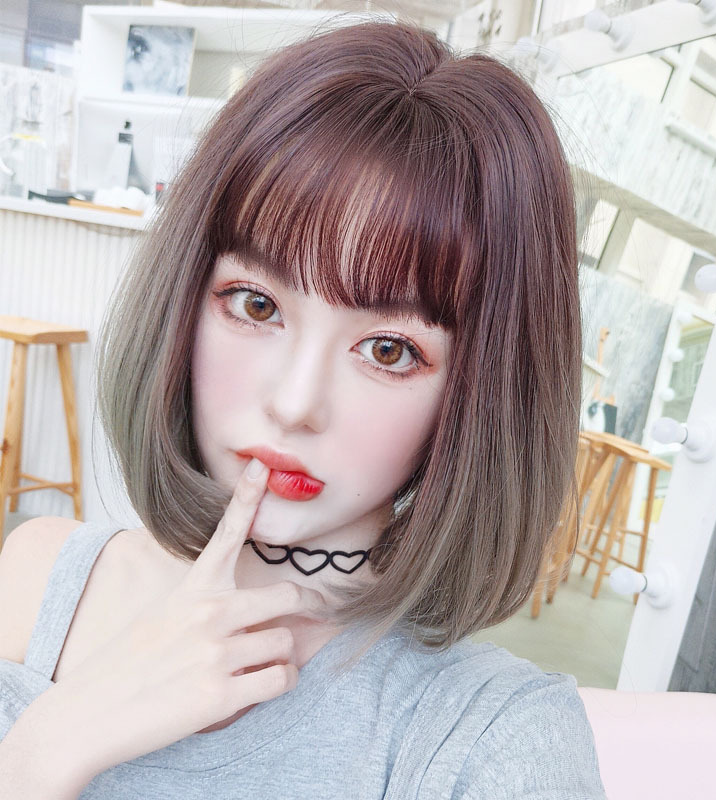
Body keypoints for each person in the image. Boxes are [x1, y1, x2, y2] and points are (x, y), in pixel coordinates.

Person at [0, 17, 607, 799]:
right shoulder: (38, 572)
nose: (293, 404)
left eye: (388, 350)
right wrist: (51, 744)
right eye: (255, 304)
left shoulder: (492, 735)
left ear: (478, 395)